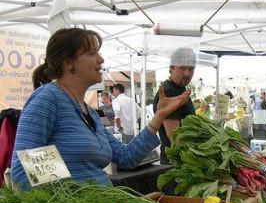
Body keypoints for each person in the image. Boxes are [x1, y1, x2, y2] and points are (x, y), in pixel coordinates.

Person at [11, 28, 190, 189]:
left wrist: (159, 117)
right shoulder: (47, 99)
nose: (101, 59)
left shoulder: (88, 112)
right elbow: (23, 172)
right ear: (69, 63)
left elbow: (125, 157)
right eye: (92, 53)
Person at [153, 47, 196, 165]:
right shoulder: (169, 92)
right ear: (171, 68)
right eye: (182, 68)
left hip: (181, 159)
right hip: (175, 161)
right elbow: (174, 137)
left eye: (191, 69)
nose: (187, 73)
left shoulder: (179, 90)